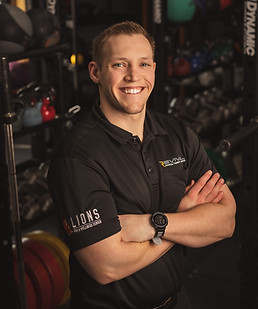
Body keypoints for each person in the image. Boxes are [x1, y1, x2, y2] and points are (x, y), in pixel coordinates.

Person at [47, 21, 236, 309]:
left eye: (144, 64)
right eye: (120, 65)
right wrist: (175, 222)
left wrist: (151, 224)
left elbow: (226, 220)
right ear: (96, 72)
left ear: (154, 70)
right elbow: (106, 266)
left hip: (177, 301)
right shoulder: (77, 156)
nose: (134, 76)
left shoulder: (178, 133)